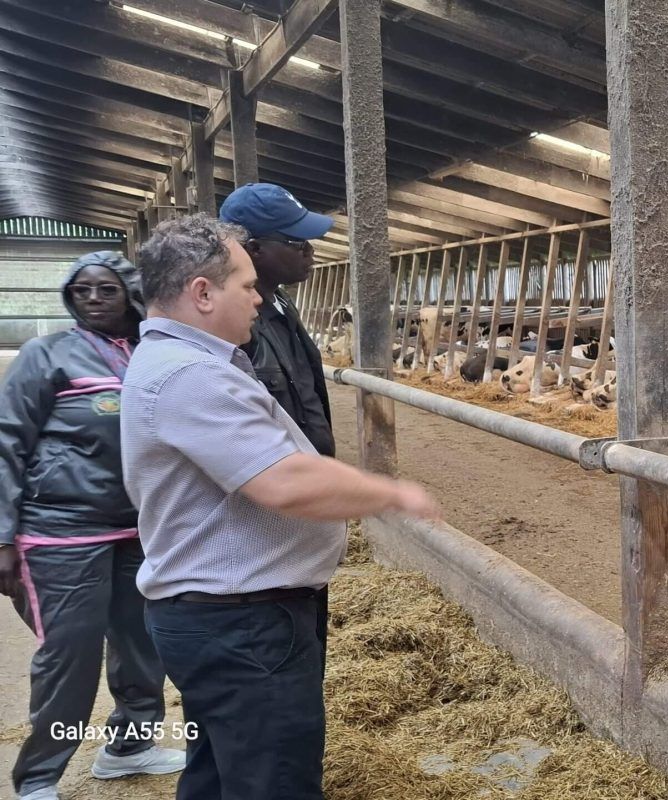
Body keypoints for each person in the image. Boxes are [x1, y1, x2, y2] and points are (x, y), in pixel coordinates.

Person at [122, 214, 440, 800]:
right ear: (202, 293)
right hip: (242, 626)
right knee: (273, 782)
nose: (257, 298)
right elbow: (284, 482)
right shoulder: (190, 376)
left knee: (219, 773)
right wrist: (393, 493)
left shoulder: (187, 362)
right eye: (247, 286)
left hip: (225, 618)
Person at [0, 252, 186, 800]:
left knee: (143, 643)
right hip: (63, 530)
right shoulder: (46, 354)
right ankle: (38, 778)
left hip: (141, 526)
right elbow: (7, 442)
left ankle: (130, 746)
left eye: (106, 289)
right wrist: (2, 535)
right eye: (81, 290)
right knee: (70, 655)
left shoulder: (154, 351)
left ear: (130, 291)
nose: (93, 299)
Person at [219, 182, 337, 457]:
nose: (310, 251)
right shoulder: (235, 325)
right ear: (255, 249)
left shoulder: (282, 301)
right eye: (297, 243)